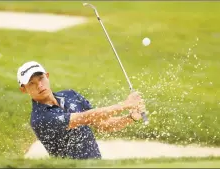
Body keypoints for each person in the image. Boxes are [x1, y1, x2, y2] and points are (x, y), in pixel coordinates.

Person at [17, 61, 146, 160]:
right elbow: (85, 117)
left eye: (41, 79)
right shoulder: (40, 118)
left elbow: (103, 124)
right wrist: (125, 105)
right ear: (23, 89)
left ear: (47, 76)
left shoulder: (70, 95)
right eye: (32, 83)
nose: (39, 85)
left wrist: (130, 118)